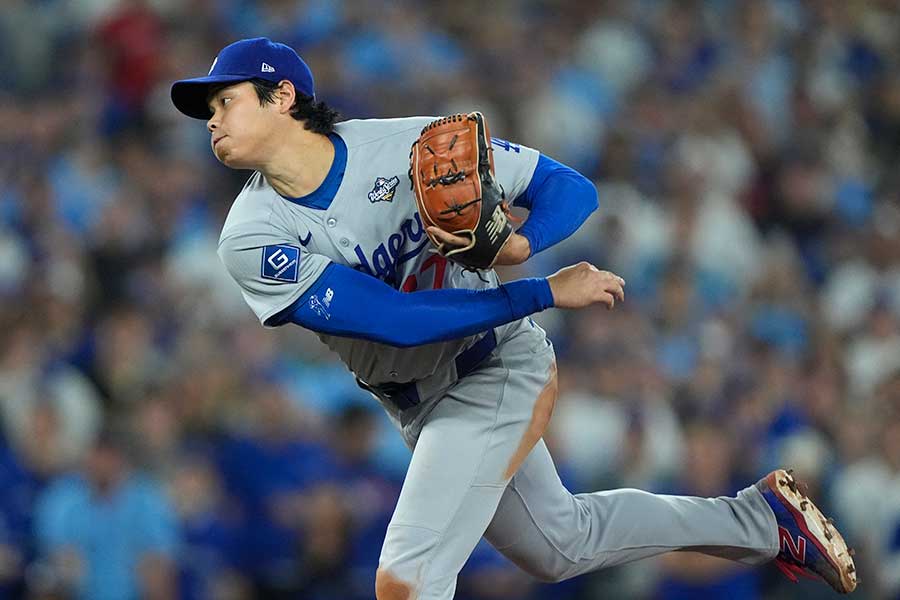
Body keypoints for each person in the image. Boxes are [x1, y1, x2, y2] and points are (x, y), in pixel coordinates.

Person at [170, 37, 857, 599]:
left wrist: (525, 246)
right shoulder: (250, 235)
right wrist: (541, 291)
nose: (211, 119)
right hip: (418, 400)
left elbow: (568, 187)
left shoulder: (404, 146)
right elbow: (393, 320)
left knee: (407, 578)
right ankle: (761, 520)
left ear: (282, 97)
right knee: (562, 545)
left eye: (225, 100)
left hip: (494, 363)